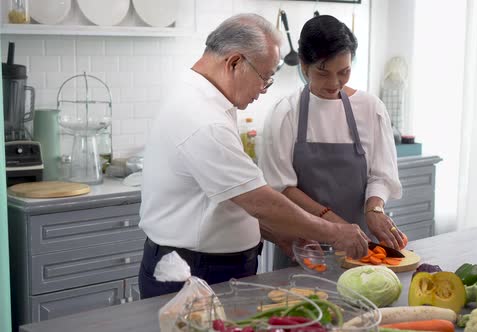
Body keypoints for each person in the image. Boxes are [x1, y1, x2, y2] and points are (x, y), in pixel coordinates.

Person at [137, 13, 368, 299]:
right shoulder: (203, 119)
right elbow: (258, 200)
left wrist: (278, 233)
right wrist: (334, 232)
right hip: (194, 272)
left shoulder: (206, 98)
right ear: (234, 63)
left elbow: (225, 199)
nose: (264, 88)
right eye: (265, 77)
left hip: (208, 266)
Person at [259, 15, 404, 270]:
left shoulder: (371, 108)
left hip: (360, 248)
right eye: (322, 72)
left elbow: (381, 175)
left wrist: (375, 209)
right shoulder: (285, 113)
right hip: (305, 249)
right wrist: (334, 227)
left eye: (344, 72)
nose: (334, 83)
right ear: (304, 66)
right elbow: (281, 187)